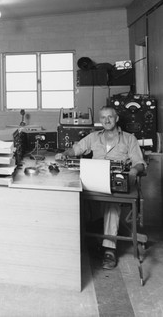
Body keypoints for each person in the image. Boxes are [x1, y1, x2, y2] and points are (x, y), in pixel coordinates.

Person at [55, 105, 146, 269]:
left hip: (115, 183)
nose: (107, 120)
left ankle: (109, 250)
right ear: (100, 120)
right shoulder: (93, 137)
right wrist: (64, 154)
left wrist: (133, 170)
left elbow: (139, 163)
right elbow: (76, 149)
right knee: (74, 196)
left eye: (110, 117)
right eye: (103, 118)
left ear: (116, 118)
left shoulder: (128, 139)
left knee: (111, 205)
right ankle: (78, 241)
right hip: (95, 181)